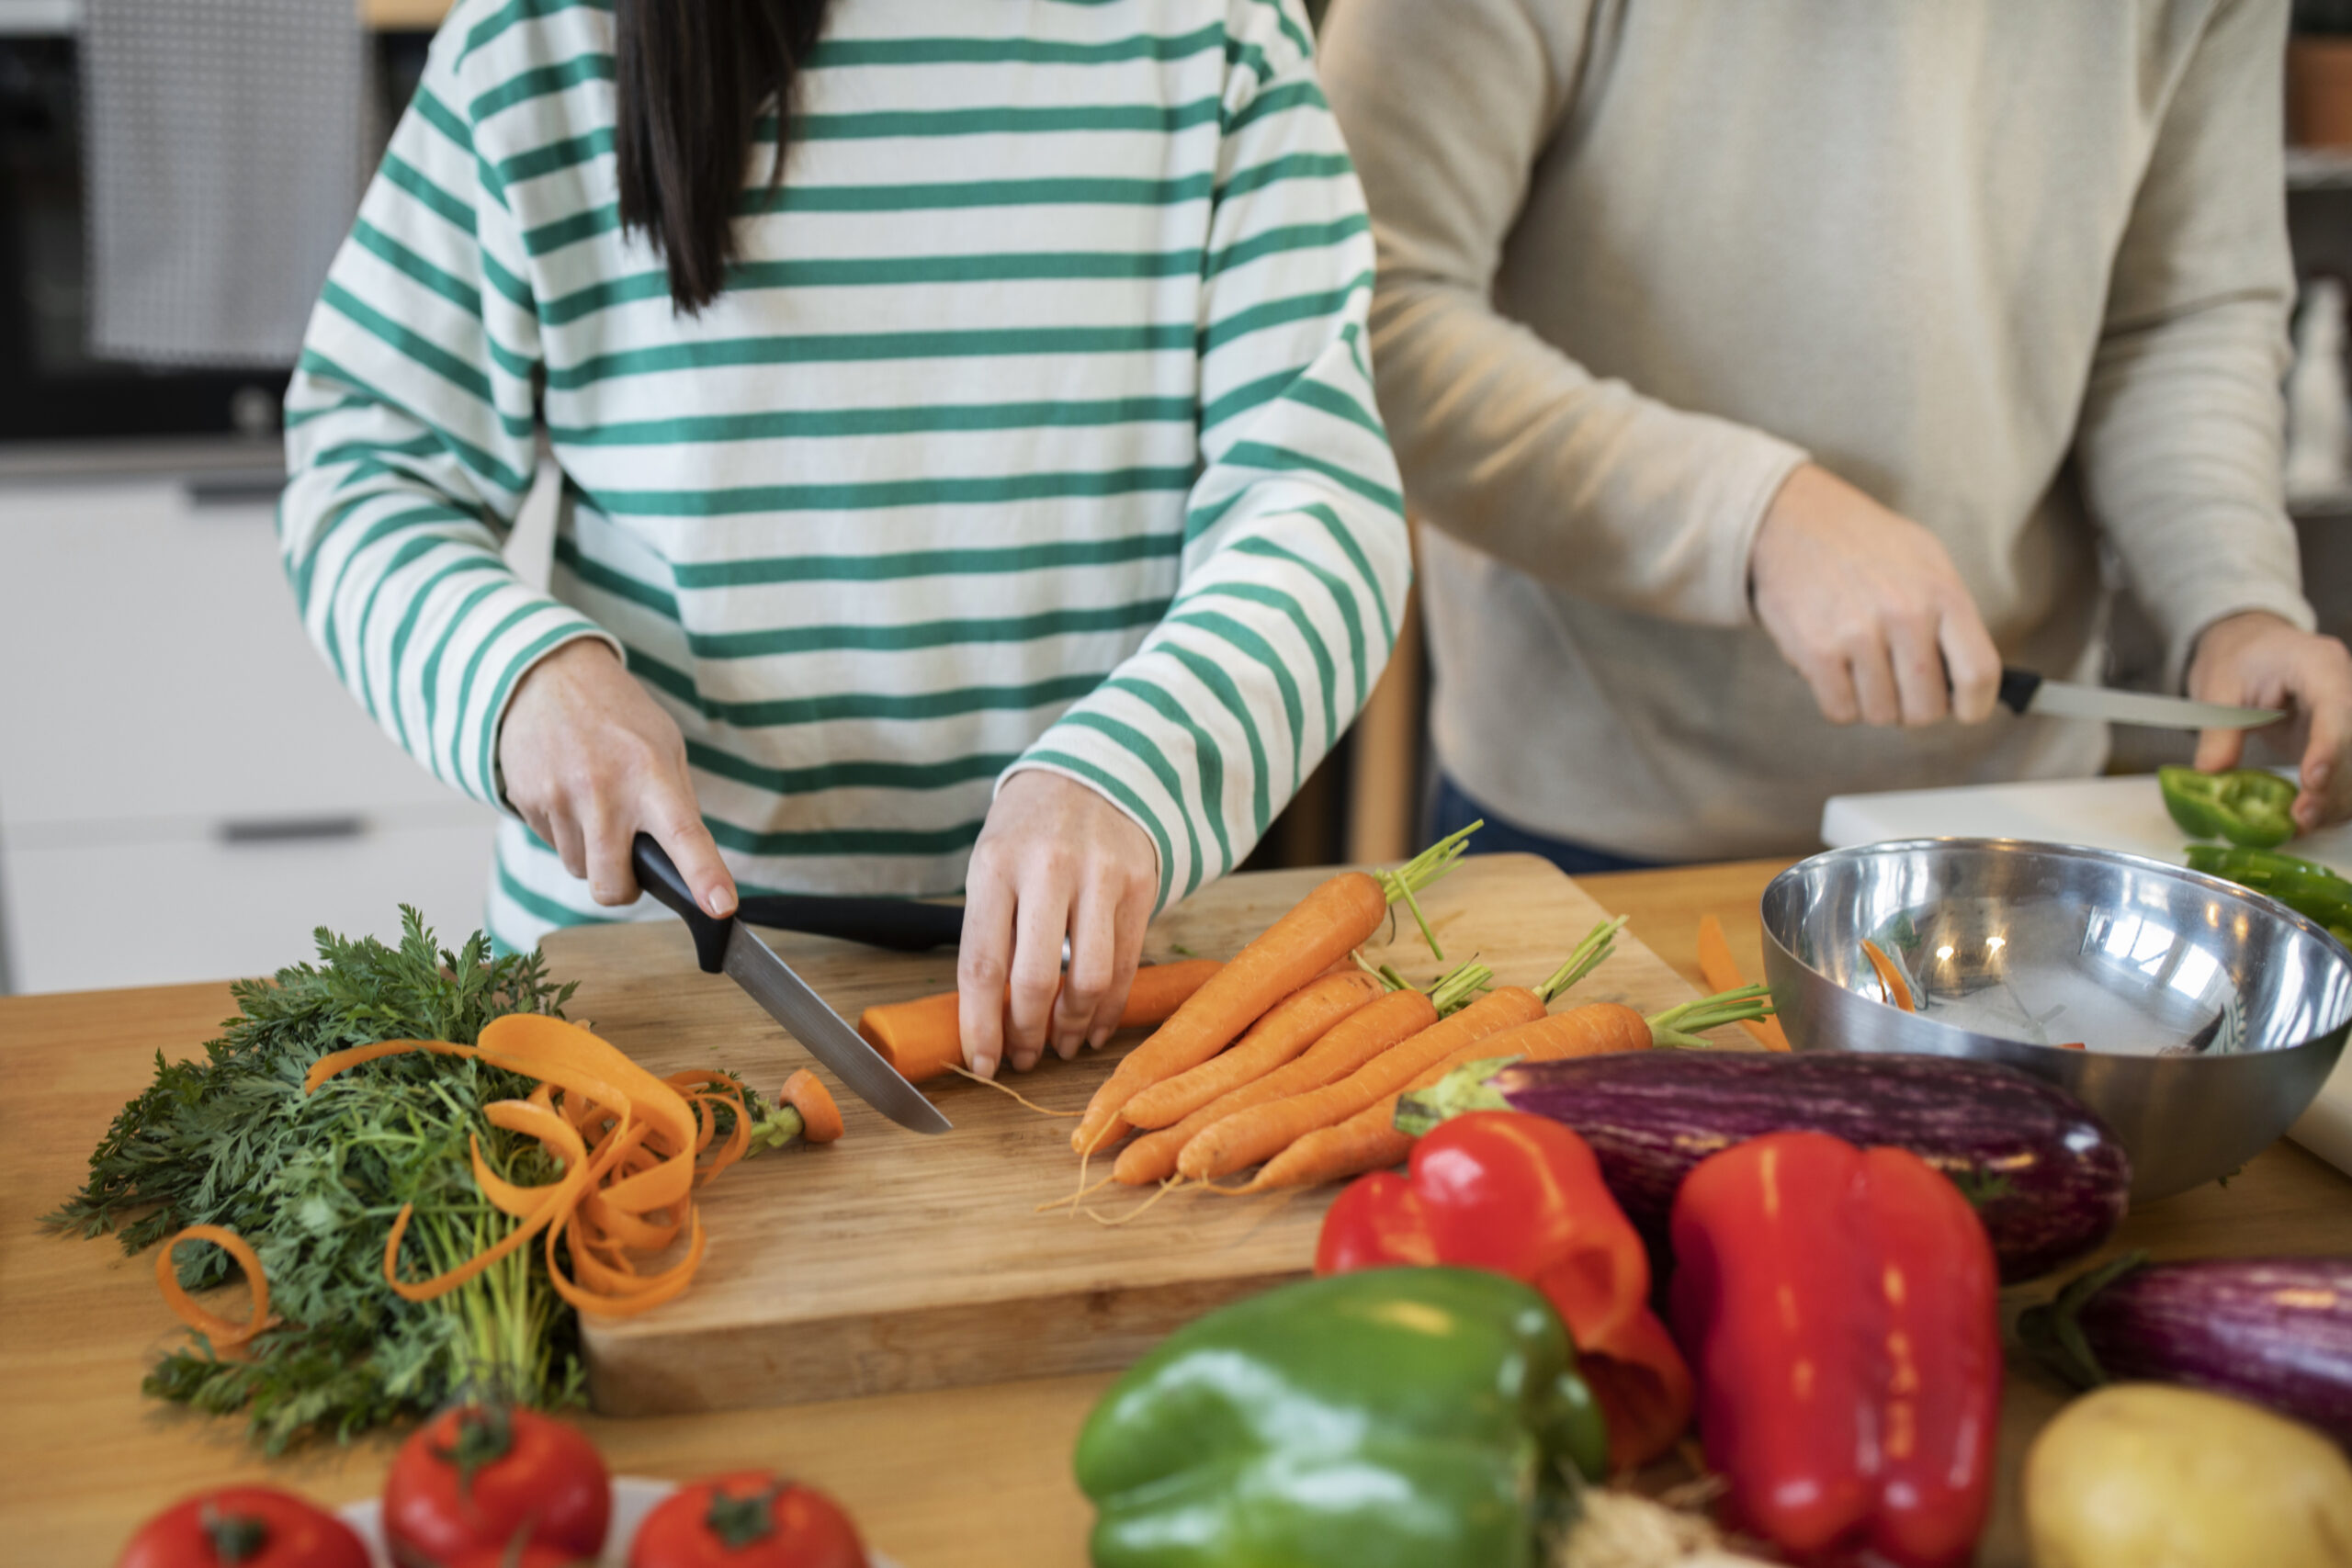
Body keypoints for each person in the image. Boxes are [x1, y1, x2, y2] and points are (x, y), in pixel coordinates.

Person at [278, 0, 1408, 1078]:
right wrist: (518, 681)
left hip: (1102, 990)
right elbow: (366, 470)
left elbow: (1316, 499)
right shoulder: (540, 42)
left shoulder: (1221, 34)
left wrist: (1136, 765)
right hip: (635, 988)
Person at [1318, 0, 2352, 872]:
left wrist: (2234, 599)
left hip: (2007, 818)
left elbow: (2177, 316)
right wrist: (1753, 518)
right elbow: (1367, 305)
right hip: (1595, 823)